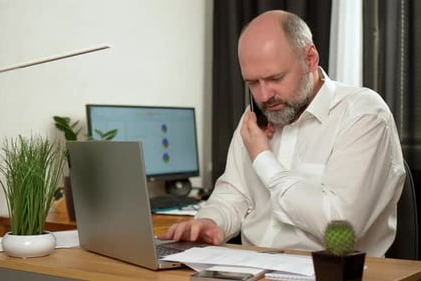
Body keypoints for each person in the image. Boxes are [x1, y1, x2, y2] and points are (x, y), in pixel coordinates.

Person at [158, 10, 405, 257]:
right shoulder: (258, 115)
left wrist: (263, 158)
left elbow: (342, 229)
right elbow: (233, 193)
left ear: (310, 58)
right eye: (252, 83)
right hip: (248, 268)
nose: (264, 96)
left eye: (275, 78)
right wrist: (211, 221)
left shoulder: (363, 114)